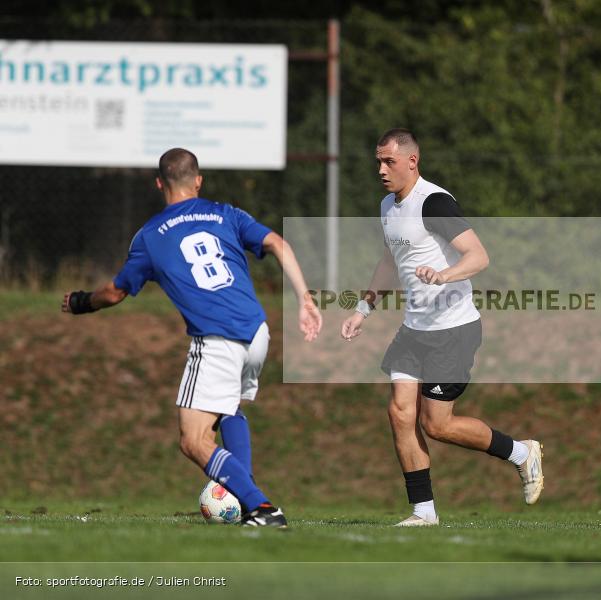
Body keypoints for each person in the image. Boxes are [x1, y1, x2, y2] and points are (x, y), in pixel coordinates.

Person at [62, 148, 322, 528]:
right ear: (197, 181)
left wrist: (82, 302)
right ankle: (244, 499)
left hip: (217, 340)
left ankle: (262, 509)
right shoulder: (227, 214)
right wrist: (304, 299)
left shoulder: (150, 236)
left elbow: (115, 292)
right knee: (230, 409)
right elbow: (279, 244)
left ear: (158, 184)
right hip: (257, 332)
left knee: (193, 440)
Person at [340, 128, 544, 526]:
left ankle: (521, 452)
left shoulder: (433, 202)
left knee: (437, 425)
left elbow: (479, 256)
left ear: (412, 161)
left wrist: (445, 274)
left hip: (453, 329)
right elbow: (389, 260)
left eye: (389, 161)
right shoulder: (387, 205)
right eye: (378, 162)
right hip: (414, 329)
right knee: (400, 412)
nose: (381, 169)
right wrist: (362, 308)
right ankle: (423, 512)